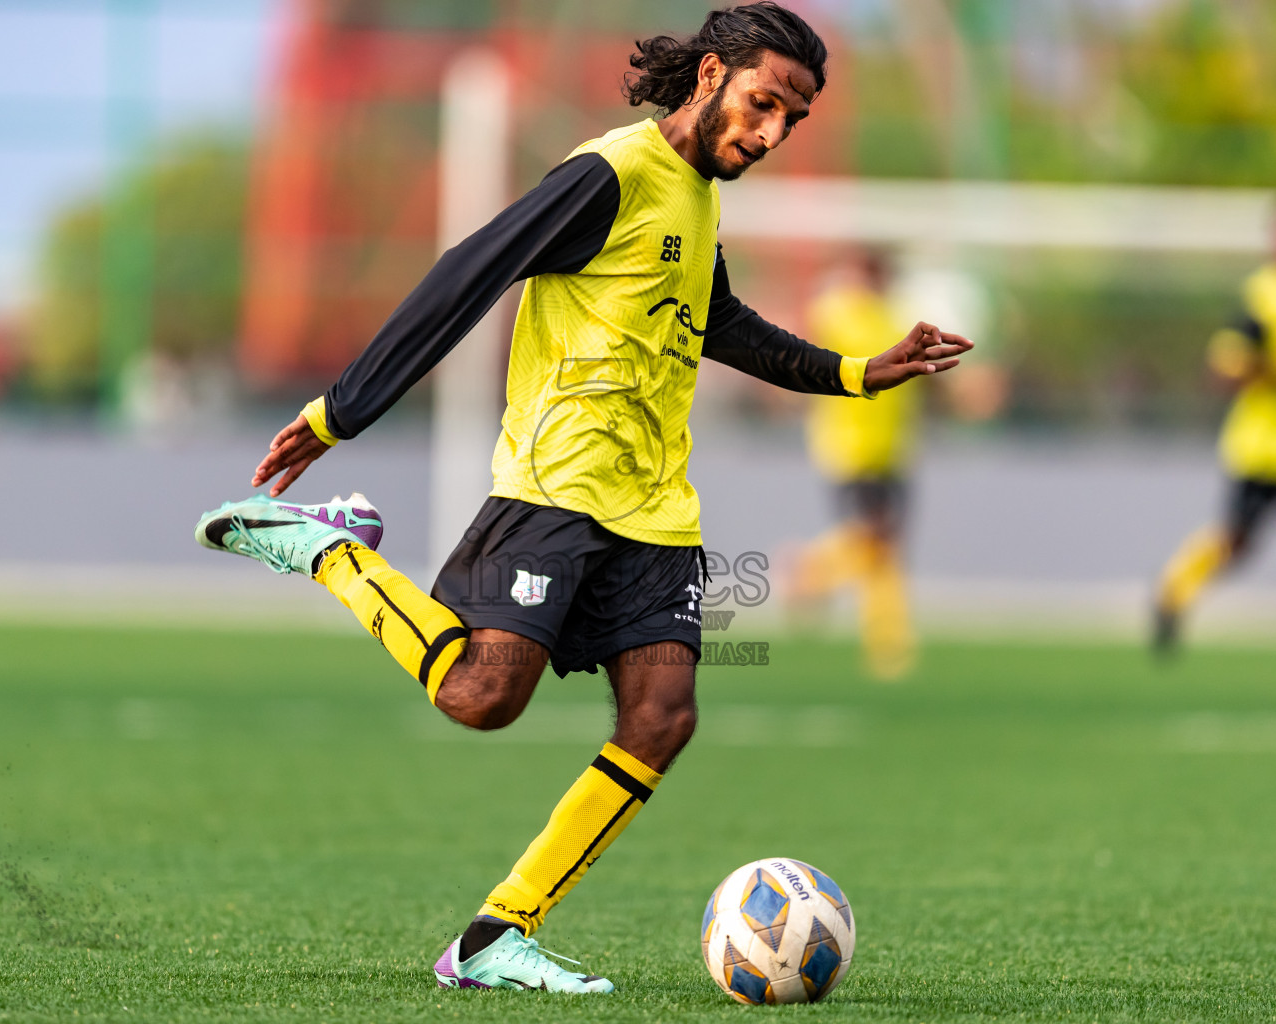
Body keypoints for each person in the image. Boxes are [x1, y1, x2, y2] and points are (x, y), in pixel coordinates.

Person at [195, 2, 971, 994]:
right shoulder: (612, 174)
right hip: (556, 489)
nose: (773, 133)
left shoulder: (696, 196)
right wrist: (341, 413)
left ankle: (494, 935)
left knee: (663, 715)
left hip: (655, 510)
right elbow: (465, 276)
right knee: (482, 696)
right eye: (766, 103)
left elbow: (719, 322)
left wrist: (862, 371)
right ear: (709, 78)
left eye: (794, 120)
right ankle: (331, 550)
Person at [1153, 194, 1276, 704]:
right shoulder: (1263, 297)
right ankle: (1173, 592)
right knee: (1237, 546)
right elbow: (1223, 370)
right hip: (1262, 451)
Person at [786, 249, 920, 679]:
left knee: (886, 548)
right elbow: (799, 343)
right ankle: (814, 574)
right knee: (875, 539)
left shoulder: (894, 317)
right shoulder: (837, 311)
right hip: (850, 449)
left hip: (893, 450)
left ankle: (886, 644)